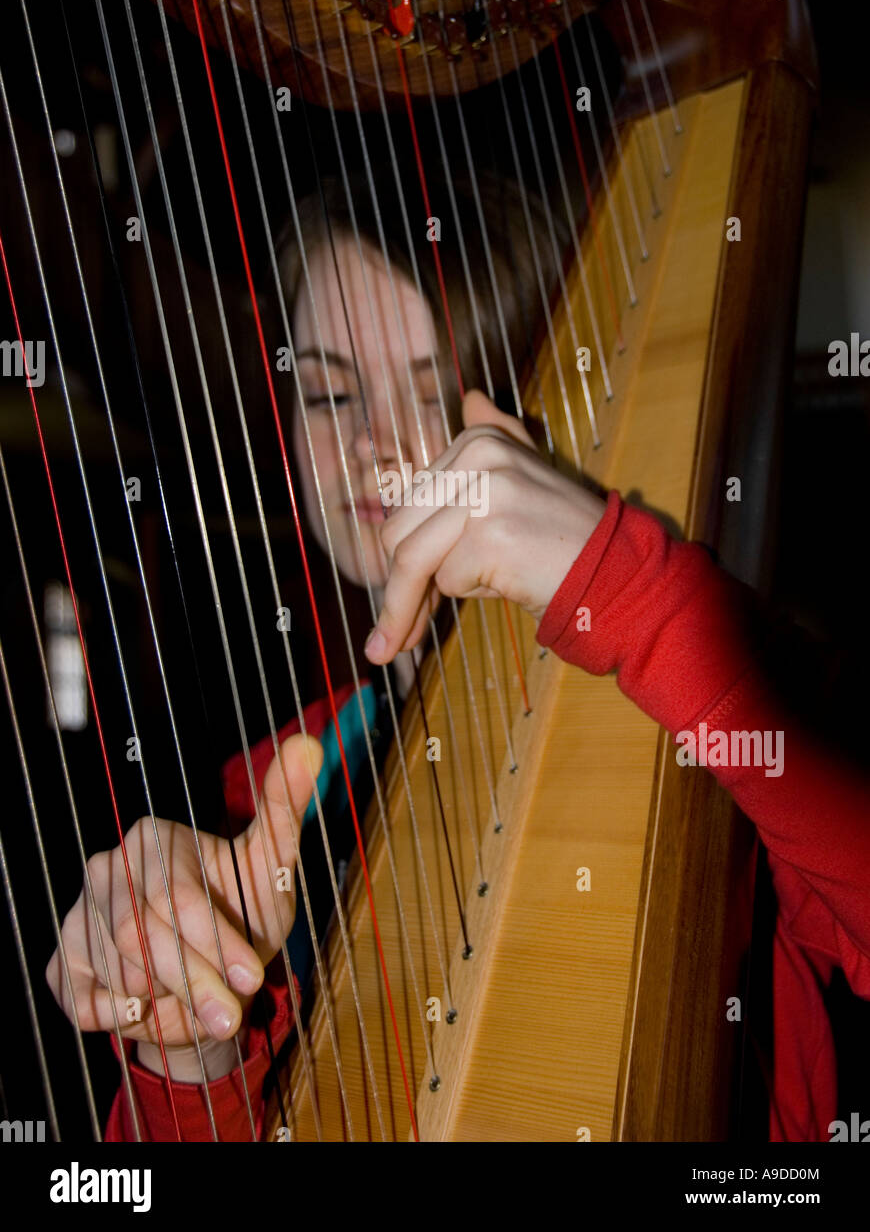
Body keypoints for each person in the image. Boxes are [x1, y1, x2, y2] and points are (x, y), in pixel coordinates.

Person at [45, 172, 870, 1144]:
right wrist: (193, 1058)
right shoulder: (266, 789)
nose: (371, 445)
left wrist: (625, 583)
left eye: (432, 390)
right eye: (328, 390)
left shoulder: (727, 694)